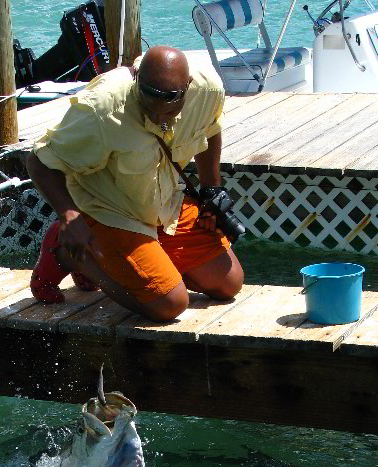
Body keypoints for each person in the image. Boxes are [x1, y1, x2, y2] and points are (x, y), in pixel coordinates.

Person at [26, 45, 244, 322]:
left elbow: (211, 128)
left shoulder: (208, 91)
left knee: (228, 284)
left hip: (163, 204)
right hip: (109, 209)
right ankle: (71, 254)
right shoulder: (102, 106)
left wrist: (212, 189)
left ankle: (127, 260)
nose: (158, 119)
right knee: (170, 304)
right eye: (149, 107)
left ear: (188, 87)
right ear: (137, 80)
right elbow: (39, 160)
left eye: (168, 111)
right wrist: (69, 215)